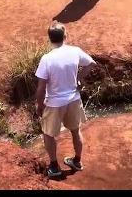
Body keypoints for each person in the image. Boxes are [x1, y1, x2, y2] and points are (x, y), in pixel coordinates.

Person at [35, 21, 95, 178]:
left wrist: (39, 106)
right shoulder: (74, 51)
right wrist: (78, 78)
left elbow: (41, 87)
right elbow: (91, 64)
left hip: (54, 103)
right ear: (65, 36)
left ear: (49, 39)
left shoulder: (46, 59)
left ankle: (54, 167)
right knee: (75, 131)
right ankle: (77, 161)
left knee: (49, 134)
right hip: (73, 99)